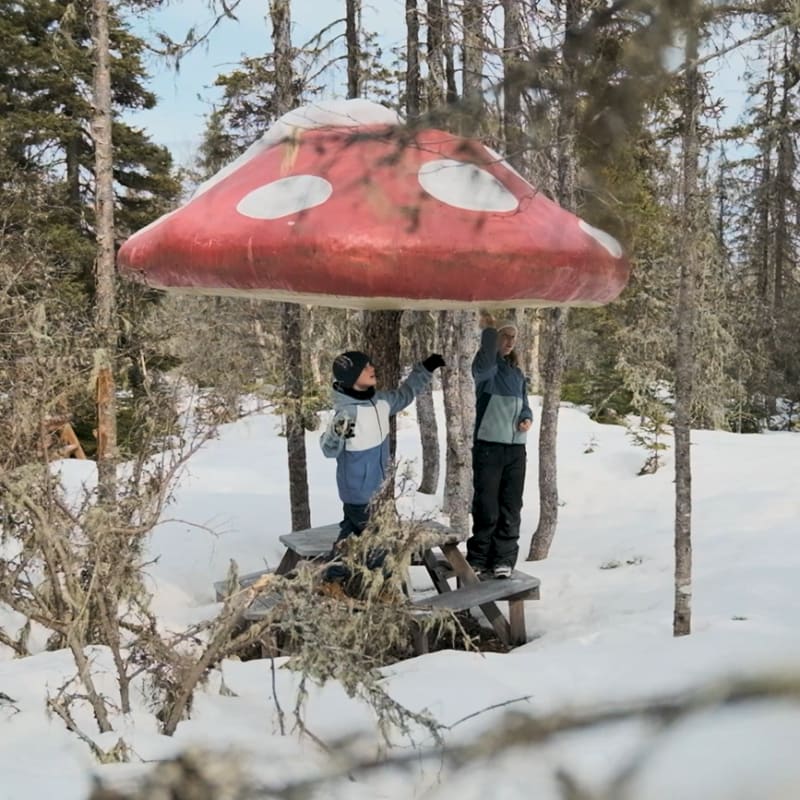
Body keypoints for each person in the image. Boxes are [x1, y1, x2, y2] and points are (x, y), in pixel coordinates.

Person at [320, 349, 445, 578]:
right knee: (379, 543)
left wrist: (426, 368)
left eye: (370, 364)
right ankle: (383, 585)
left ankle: (333, 578)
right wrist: (336, 431)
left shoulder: (381, 402)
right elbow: (328, 450)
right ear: (351, 377)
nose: (371, 368)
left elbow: (406, 394)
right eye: (364, 367)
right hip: (358, 492)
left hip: (374, 490)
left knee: (350, 537)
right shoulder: (347, 414)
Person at [467, 311, 532, 579]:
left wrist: (527, 418)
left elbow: (525, 404)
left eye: (513, 337)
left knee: (511, 505)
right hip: (489, 447)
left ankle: (504, 558)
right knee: (486, 505)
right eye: (505, 336)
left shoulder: (516, 374)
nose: (510, 341)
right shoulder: (488, 371)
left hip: (516, 449)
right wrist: (489, 332)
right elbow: (483, 367)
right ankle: (479, 558)